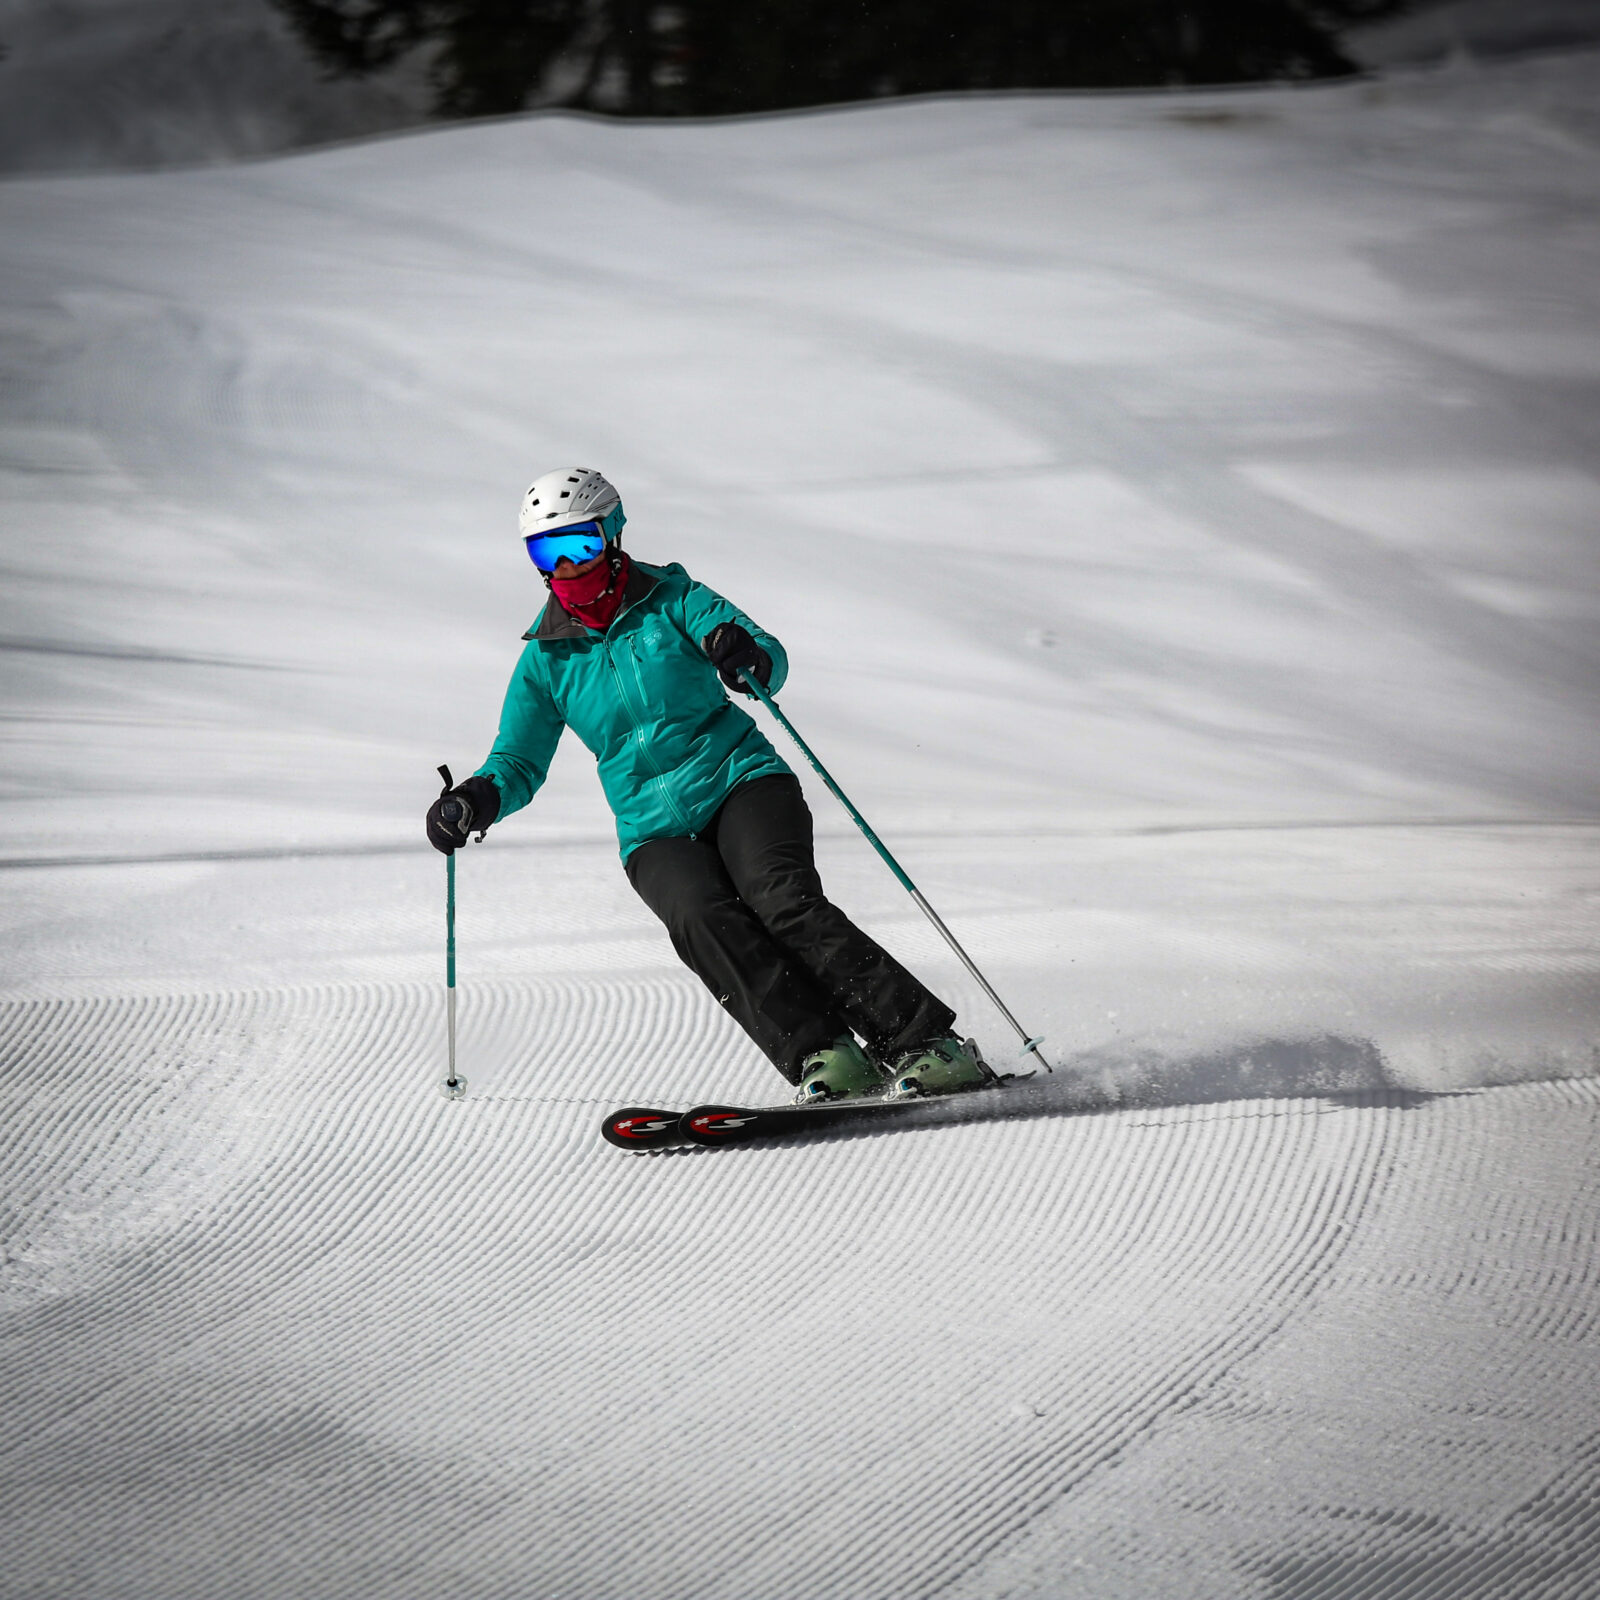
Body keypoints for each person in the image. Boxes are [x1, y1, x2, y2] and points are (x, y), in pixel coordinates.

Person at [426, 467, 986, 1103]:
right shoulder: (545, 659)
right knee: (700, 918)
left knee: (780, 901)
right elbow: (517, 761)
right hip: (652, 829)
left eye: (578, 545)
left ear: (611, 536)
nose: (566, 568)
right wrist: (475, 799)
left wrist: (741, 651)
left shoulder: (675, 598)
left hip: (741, 782)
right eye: (546, 552)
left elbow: (768, 658)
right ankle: (826, 1055)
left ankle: (925, 1043)